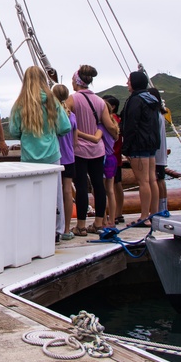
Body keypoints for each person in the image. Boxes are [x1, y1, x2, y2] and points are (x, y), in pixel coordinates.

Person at [6, 66, 72, 241]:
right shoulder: (53, 101)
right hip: (51, 155)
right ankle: (56, 230)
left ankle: (34, 230)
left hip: (29, 157)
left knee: (30, 195)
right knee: (55, 194)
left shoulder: (20, 104)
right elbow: (65, 127)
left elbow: (13, 131)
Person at [66, 64, 119, 236]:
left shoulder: (72, 99)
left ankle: (80, 225)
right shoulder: (100, 101)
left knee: (81, 186)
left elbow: (65, 121)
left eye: (73, 80)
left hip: (79, 148)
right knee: (98, 185)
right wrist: (115, 136)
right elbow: (109, 125)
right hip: (98, 150)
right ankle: (98, 223)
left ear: (77, 81)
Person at [121, 71, 161, 225]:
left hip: (139, 145)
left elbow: (131, 125)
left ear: (135, 83)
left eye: (129, 81)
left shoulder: (135, 100)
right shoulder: (151, 100)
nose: (127, 83)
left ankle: (144, 217)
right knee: (152, 180)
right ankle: (154, 213)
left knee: (143, 181)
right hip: (151, 144)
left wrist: (126, 147)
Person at [52, 84, 77, 240]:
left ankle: (54, 226)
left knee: (54, 192)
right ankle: (67, 228)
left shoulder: (52, 114)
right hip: (69, 157)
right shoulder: (71, 116)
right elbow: (75, 141)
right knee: (67, 191)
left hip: (55, 156)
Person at [102, 95, 124, 224]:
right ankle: (117, 214)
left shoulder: (109, 121)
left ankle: (107, 217)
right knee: (116, 185)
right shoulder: (118, 121)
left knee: (106, 188)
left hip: (107, 157)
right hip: (115, 158)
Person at [149, 87, 170, 213]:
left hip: (155, 153)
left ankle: (156, 209)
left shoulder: (154, 115)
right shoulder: (161, 114)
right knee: (161, 179)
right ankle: (163, 206)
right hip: (161, 152)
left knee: (156, 180)